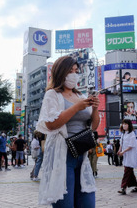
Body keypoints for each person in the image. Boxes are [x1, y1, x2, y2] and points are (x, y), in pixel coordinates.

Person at [36, 56, 99, 207]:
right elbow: (51, 124)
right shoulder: (52, 94)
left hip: (82, 154)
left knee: (87, 201)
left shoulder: (80, 95)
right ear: (61, 72)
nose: (74, 74)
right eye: (70, 70)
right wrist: (76, 107)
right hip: (62, 155)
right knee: (64, 203)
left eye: (76, 71)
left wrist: (95, 107)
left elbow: (93, 126)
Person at [117, 119, 137, 195]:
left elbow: (131, 146)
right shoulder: (123, 134)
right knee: (129, 171)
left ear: (129, 125)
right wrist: (119, 150)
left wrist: (123, 152)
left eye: (126, 124)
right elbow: (121, 144)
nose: (124, 125)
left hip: (131, 155)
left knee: (127, 171)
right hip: (126, 155)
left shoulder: (132, 134)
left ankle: (123, 187)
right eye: (123, 124)